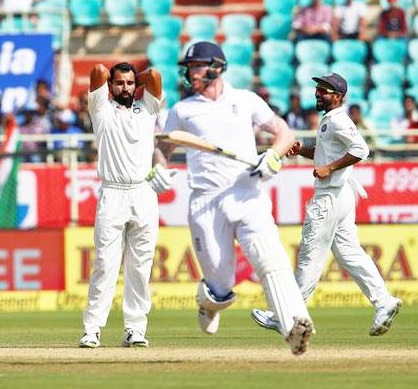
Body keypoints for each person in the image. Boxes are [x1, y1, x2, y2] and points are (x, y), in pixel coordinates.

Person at [155, 41, 314, 355]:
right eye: (189, 68)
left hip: (247, 193)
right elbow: (164, 147)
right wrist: (158, 169)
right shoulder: (182, 109)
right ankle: (208, 302)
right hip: (205, 201)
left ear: (216, 66)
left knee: (270, 260)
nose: (191, 73)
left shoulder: (246, 100)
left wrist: (271, 156)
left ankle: (295, 325)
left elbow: (284, 133)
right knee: (221, 283)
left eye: (197, 66)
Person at [252, 73, 402, 337]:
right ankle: (383, 301)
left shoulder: (338, 120)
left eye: (325, 90)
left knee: (310, 258)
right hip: (340, 195)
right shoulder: (329, 121)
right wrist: (301, 151)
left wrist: (329, 168)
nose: (318, 93)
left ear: (339, 97)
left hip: (329, 197)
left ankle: (288, 314)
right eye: (318, 89)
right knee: (349, 254)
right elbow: (326, 153)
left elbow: (361, 150)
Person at [78, 62, 166, 349]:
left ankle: (135, 329)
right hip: (112, 193)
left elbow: (153, 75)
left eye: (129, 83)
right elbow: (99, 70)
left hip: (142, 192)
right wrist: (115, 79)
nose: (125, 88)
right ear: (111, 86)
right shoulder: (101, 108)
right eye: (119, 83)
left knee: (140, 266)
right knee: (104, 264)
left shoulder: (148, 107)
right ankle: (92, 329)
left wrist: (133, 78)